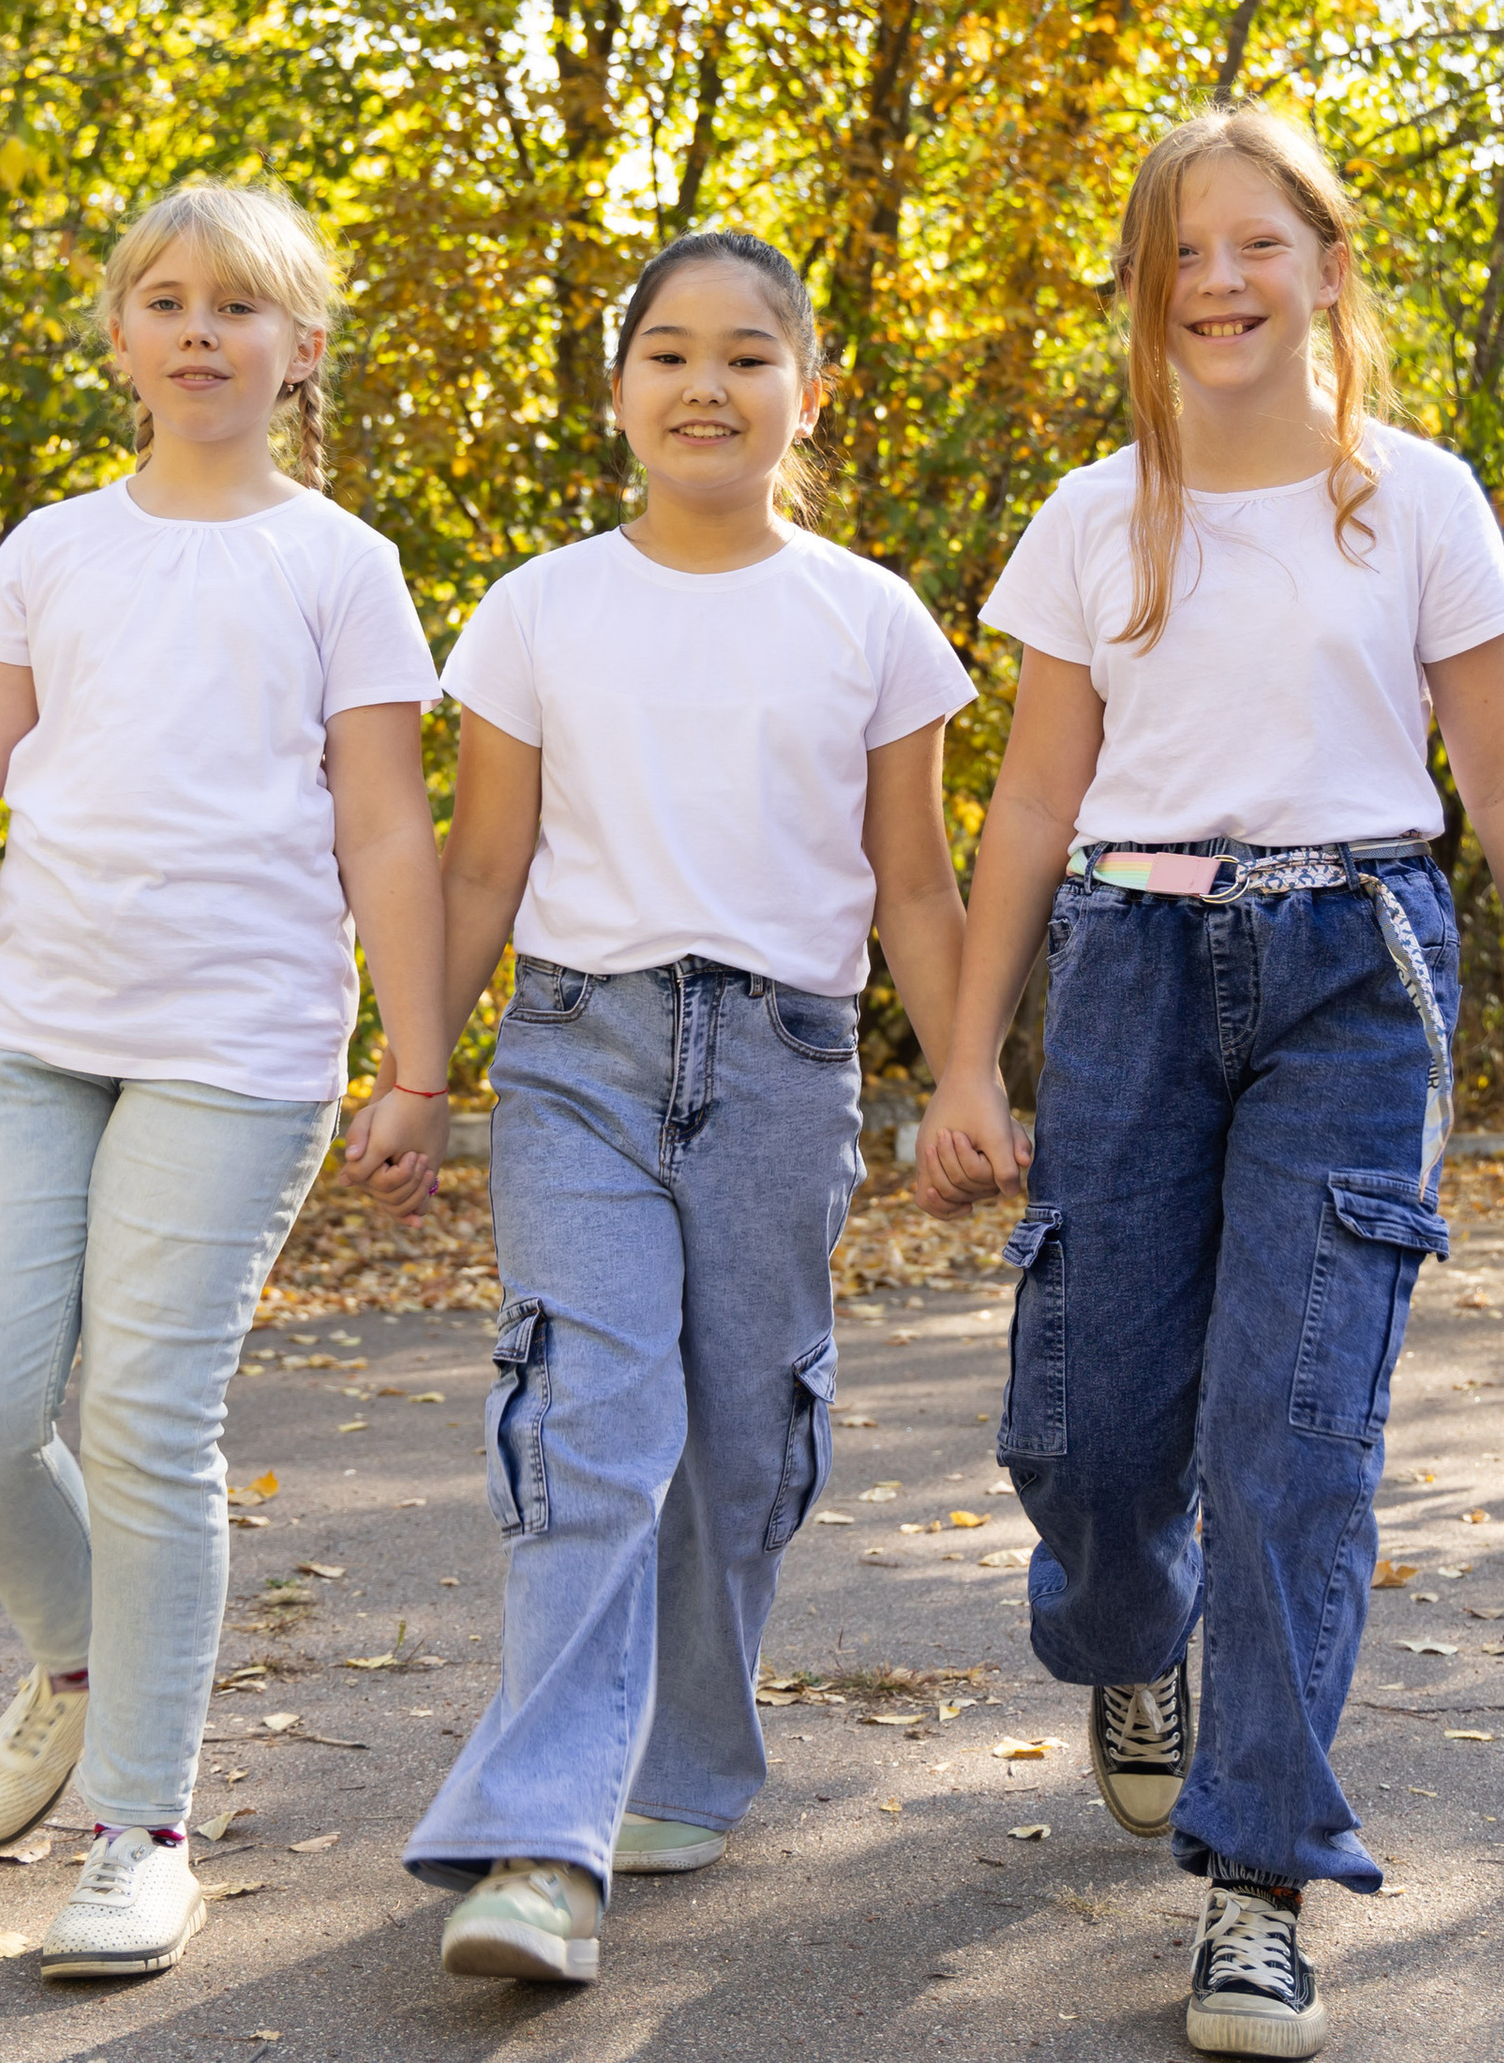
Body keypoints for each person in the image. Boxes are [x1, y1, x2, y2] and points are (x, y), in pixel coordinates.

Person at [913, 106, 1504, 2057]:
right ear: (1145, 295)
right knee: (1086, 1424)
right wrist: (966, 1052)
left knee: (1292, 1435)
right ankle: (1128, 1635)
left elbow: (1503, 781)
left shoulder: (1412, 500)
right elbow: (1033, 801)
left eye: (1255, 245)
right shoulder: (1090, 516)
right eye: (1178, 256)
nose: (1217, 284)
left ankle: (1255, 1880)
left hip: (1354, 968)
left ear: (1326, 265)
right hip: (1131, 971)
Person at [0, 183, 449, 1984]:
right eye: (167, 299)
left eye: (241, 308)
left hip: (241, 1049)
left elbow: (383, 823)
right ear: (119, 335)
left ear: (301, 351)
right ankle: (80, 1655)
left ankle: (143, 1827)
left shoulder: (338, 564)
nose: (201, 331)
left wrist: (422, 1062)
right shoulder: (52, 547)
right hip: (37, 1039)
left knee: (144, 1424)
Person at [395, 229, 974, 1986]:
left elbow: (919, 888)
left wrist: (966, 1080)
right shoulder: (540, 605)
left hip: (789, 1071)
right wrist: (412, 1066)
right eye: (666, 352)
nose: (704, 384)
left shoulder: (873, 619)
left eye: (744, 354)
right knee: (590, 1422)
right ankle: (541, 1844)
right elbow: (480, 861)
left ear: (811, 387)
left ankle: (695, 1762)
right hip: (578, 1054)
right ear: (619, 383)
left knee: (739, 1441)